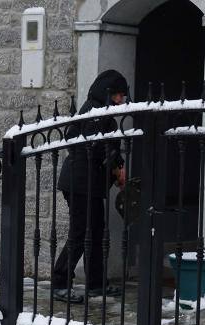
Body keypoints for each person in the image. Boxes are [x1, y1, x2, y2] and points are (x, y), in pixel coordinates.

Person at [52, 70, 128, 303]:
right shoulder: (94, 113)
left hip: (90, 184)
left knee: (95, 230)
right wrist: (116, 168)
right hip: (80, 183)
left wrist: (117, 166)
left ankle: (95, 283)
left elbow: (108, 148)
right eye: (119, 95)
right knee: (81, 231)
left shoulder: (102, 113)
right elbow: (95, 148)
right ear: (109, 94)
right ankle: (60, 282)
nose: (122, 100)